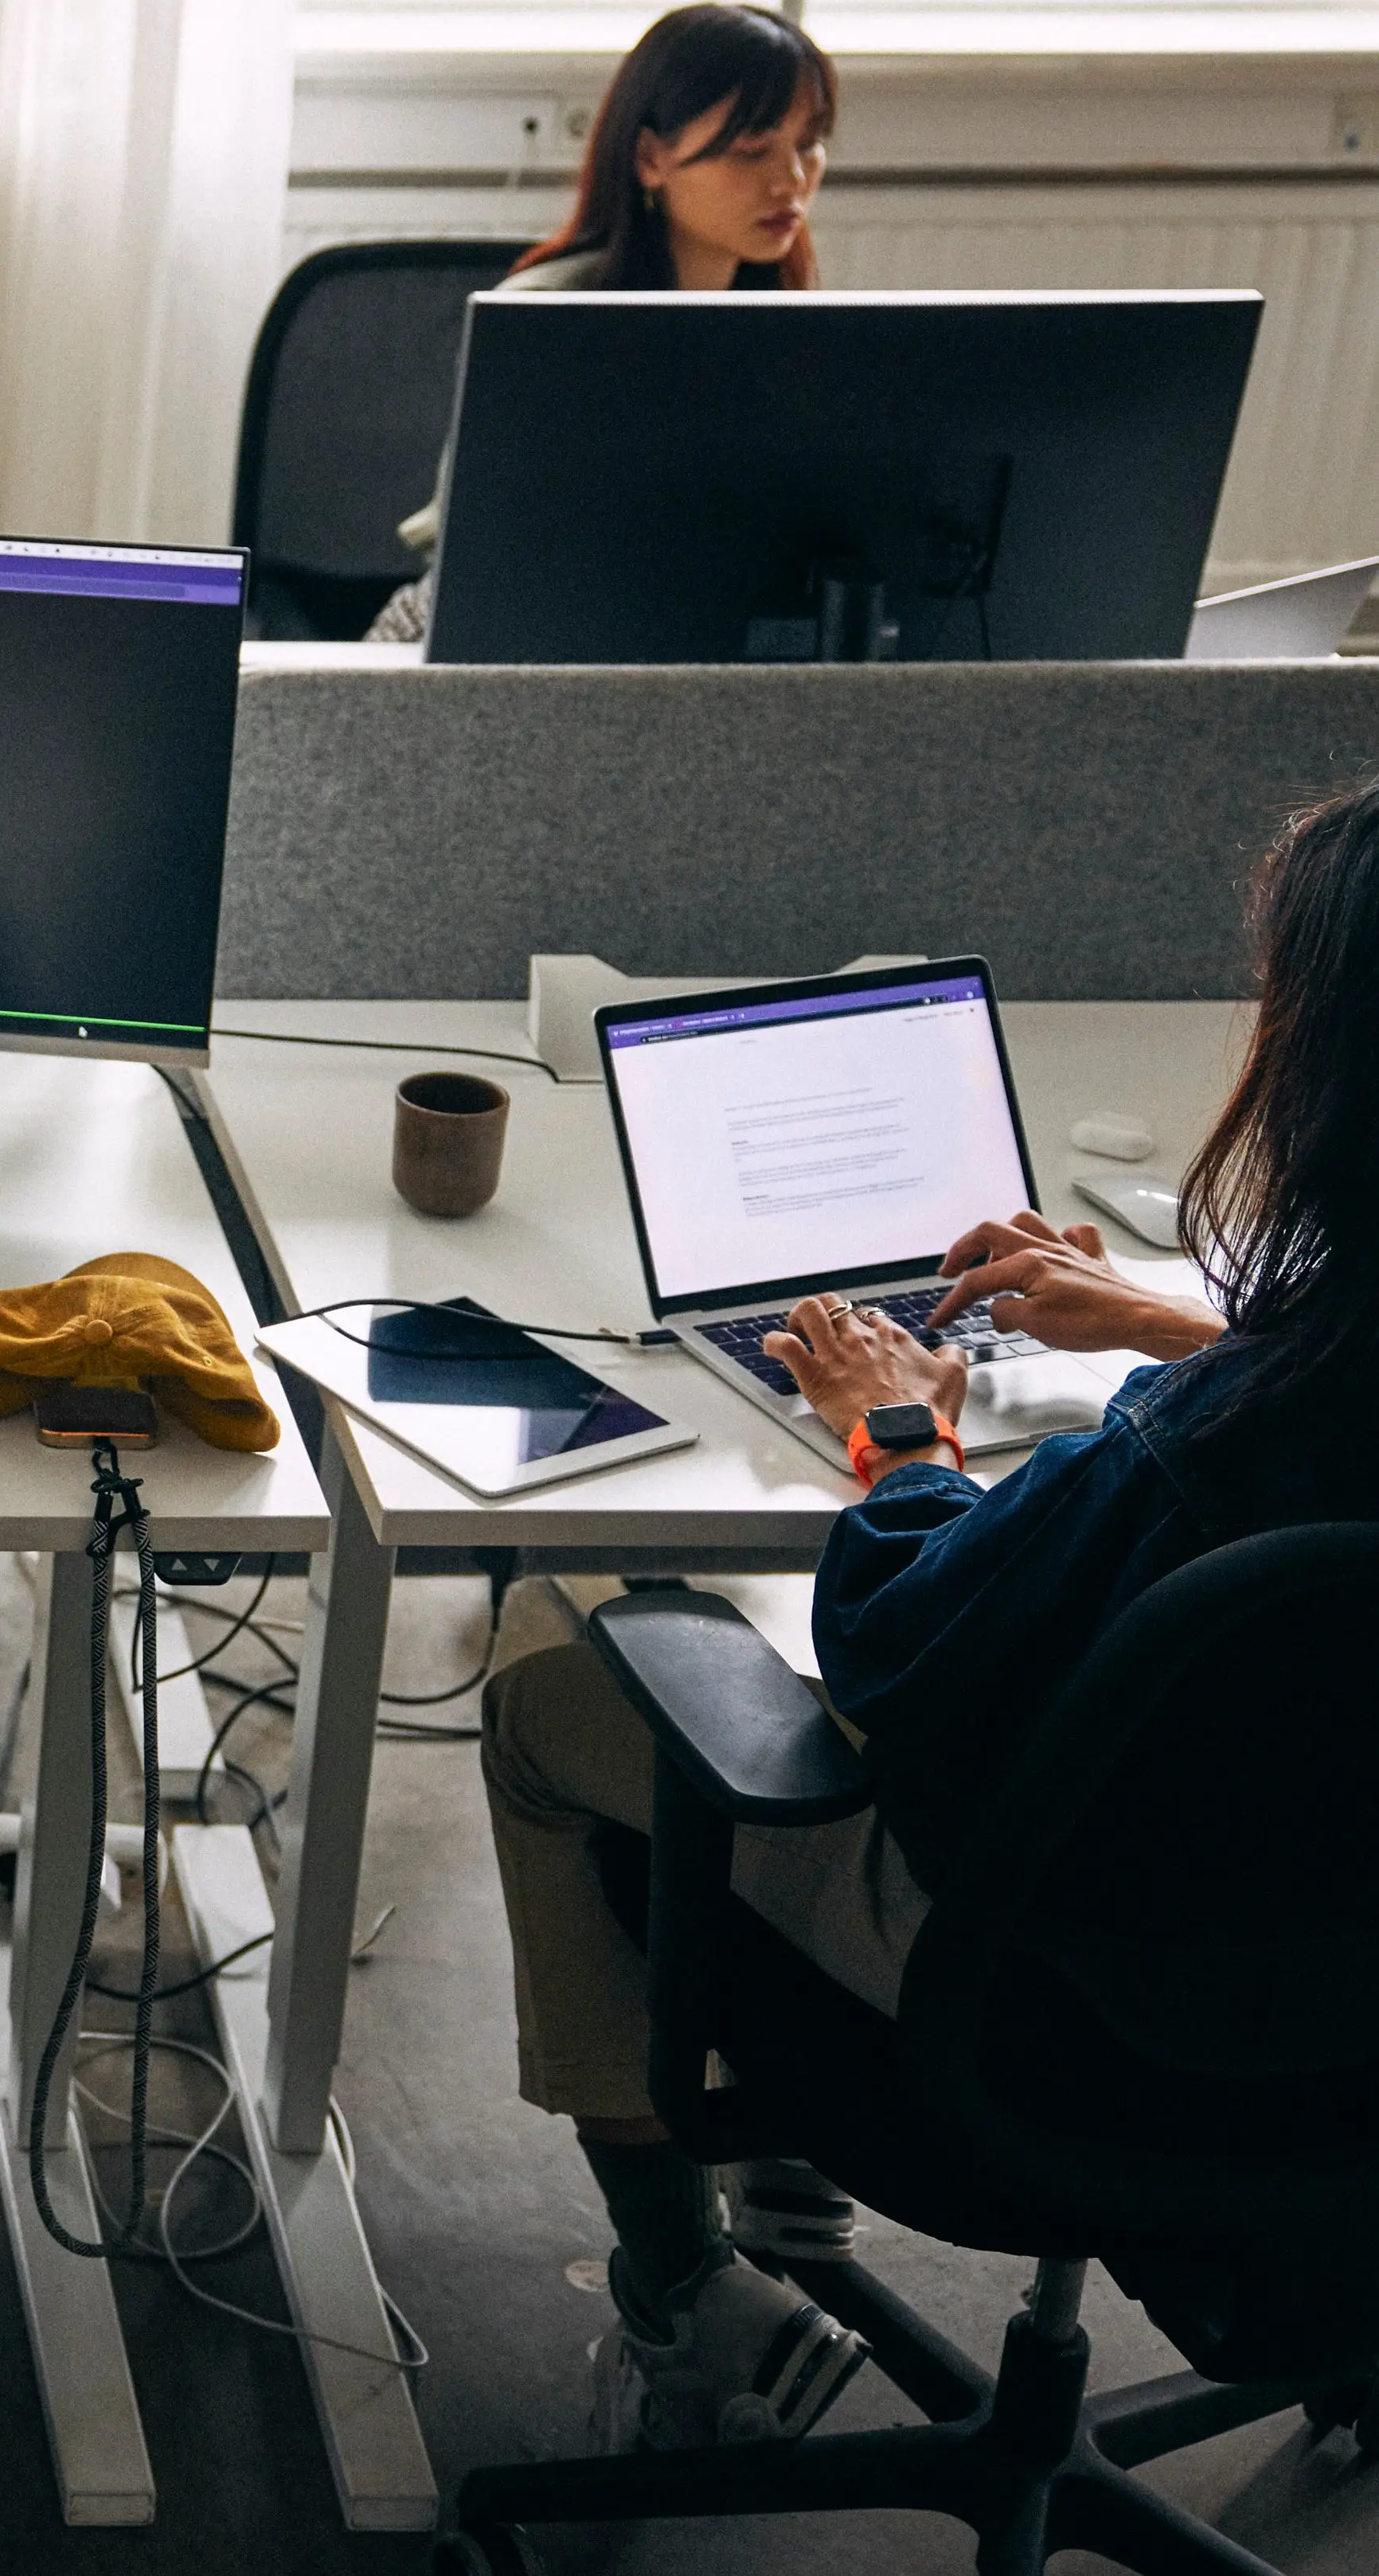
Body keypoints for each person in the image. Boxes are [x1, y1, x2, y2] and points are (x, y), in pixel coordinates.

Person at [478, 772, 1379, 2455]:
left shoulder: (1191, 1463)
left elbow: (899, 1639)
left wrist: (896, 1430)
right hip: (1334, 2023)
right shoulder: (1264, 1405)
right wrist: (1170, 1321)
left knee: (550, 1654)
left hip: (1060, 2023)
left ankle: (682, 2294)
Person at [371, 2, 838, 644]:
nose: (791, 180)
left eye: (808, 145)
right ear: (650, 157)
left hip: (679, 640)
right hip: (486, 641)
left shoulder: (789, 323)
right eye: (750, 149)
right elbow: (490, 554)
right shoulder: (546, 321)